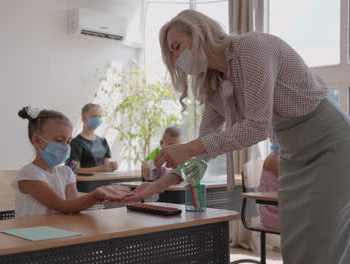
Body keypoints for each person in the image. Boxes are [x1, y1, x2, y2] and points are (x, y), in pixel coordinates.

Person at [124, 9, 350, 264]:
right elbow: (204, 149)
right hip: (293, 154)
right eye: (172, 54)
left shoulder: (252, 47)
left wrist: (190, 147)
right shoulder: (215, 83)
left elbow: (256, 126)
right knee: (296, 242)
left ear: (201, 31)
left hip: (330, 143)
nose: (177, 58)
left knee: (324, 239)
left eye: (177, 47)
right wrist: (156, 186)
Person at [12, 106, 128, 217]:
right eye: (59, 140)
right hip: (31, 234)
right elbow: (64, 206)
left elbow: (74, 206)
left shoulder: (66, 173)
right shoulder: (29, 174)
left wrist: (98, 195)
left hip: (57, 232)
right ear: (37, 140)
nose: (66, 147)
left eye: (68, 141)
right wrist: (95, 195)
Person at [67, 103, 117, 174]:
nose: (97, 119)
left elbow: (106, 166)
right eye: (94, 116)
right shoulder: (76, 143)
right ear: (84, 117)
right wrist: (100, 169)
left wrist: (112, 166)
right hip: (85, 183)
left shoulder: (103, 141)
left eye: (99, 116)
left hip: (103, 182)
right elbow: (73, 170)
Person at [258, 133, 280, 231]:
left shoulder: (278, 158)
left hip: (281, 206)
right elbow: (293, 179)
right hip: (273, 212)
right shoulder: (273, 159)